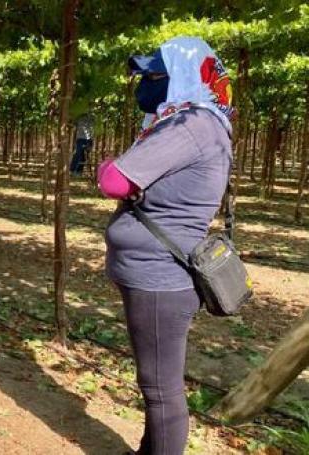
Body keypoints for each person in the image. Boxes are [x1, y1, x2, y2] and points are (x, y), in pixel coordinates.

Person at [97, 37, 233, 455]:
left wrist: (106, 163)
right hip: (155, 271)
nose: (144, 83)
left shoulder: (190, 125)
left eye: (156, 75)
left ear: (187, 78)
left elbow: (113, 179)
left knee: (161, 389)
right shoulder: (191, 122)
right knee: (154, 381)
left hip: (161, 277)